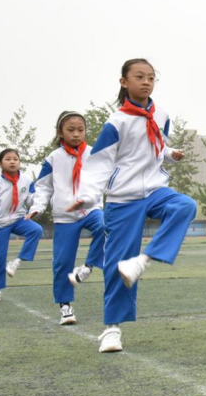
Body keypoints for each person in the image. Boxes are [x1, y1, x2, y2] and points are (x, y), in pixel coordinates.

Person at [70, 58, 197, 354]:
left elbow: (155, 146)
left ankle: (145, 260)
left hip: (154, 190)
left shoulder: (162, 115)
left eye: (151, 77)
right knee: (117, 266)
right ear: (124, 82)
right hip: (122, 199)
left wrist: (169, 154)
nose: (146, 82)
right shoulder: (116, 122)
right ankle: (112, 329)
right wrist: (87, 197)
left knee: (185, 206)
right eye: (139, 77)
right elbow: (100, 164)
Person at [28, 111, 106, 324]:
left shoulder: (94, 154)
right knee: (62, 262)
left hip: (90, 209)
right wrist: (37, 207)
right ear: (60, 132)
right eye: (70, 130)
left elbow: (102, 180)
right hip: (65, 215)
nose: (76, 134)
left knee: (105, 226)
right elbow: (42, 187)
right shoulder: (54, 158)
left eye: (80, 130)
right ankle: (65, 306)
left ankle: (88, 266)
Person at [0, 149, 42, 303]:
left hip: (18, 219)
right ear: (0, 163)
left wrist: (36, 205)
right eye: (8, 159)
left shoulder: (27, 180)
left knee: (36, 230)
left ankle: (17, 262)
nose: (12, 161)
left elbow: (31, 200)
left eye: (15, 159)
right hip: (0, 224)